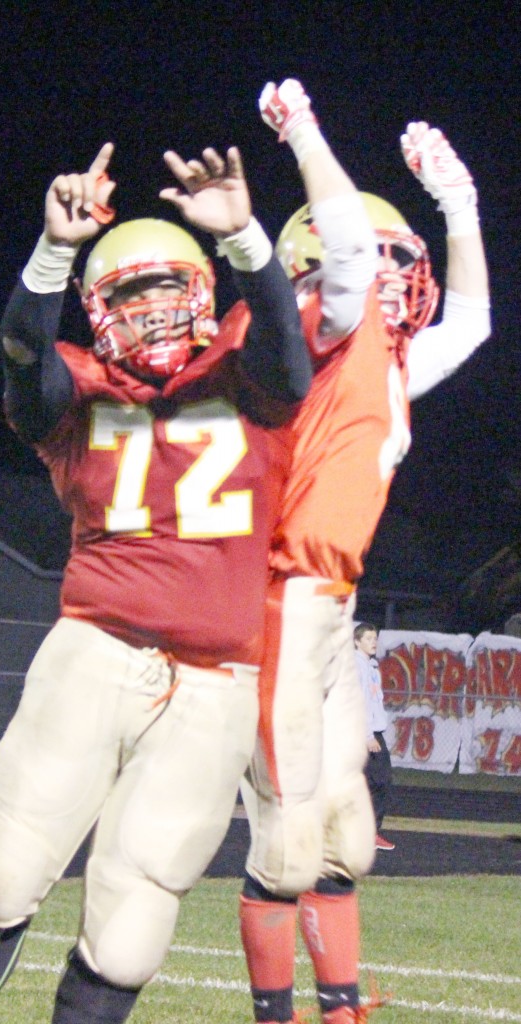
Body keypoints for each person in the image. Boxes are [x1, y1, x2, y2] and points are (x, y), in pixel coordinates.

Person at [0, 142, 311, 1024]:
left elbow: (288, 348)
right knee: (5, 871)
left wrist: (247, 234)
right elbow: (22, 350)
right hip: (97, 653)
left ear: (204, 296)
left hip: (214, 686)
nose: (153, 315)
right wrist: (53, 251)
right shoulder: (77, 394)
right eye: (131, 298)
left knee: (136, 910)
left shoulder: (247, 379)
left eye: (169, 292)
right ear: (98, 311)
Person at [239, 80, 491, 1024]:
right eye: (372, 254)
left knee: (347, 835)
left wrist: (459, 208)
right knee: (290, 842)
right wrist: (304, 133)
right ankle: (276, 1014)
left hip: (330, 611)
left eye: (401, 255)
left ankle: (341, 1011)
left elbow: (470, 323)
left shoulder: (382, 359)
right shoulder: (311, 337)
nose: (386, 268)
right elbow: (342, 255)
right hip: (271, 604)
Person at [353, 623, 393, 851]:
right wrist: (368, 735)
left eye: (375, 638)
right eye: (368, 638)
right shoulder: (357, 666)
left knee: (369, 782)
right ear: (357, 641)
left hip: (371, 731)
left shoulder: (371, 666)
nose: (374, 642)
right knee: (381, 781)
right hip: (363, 732)